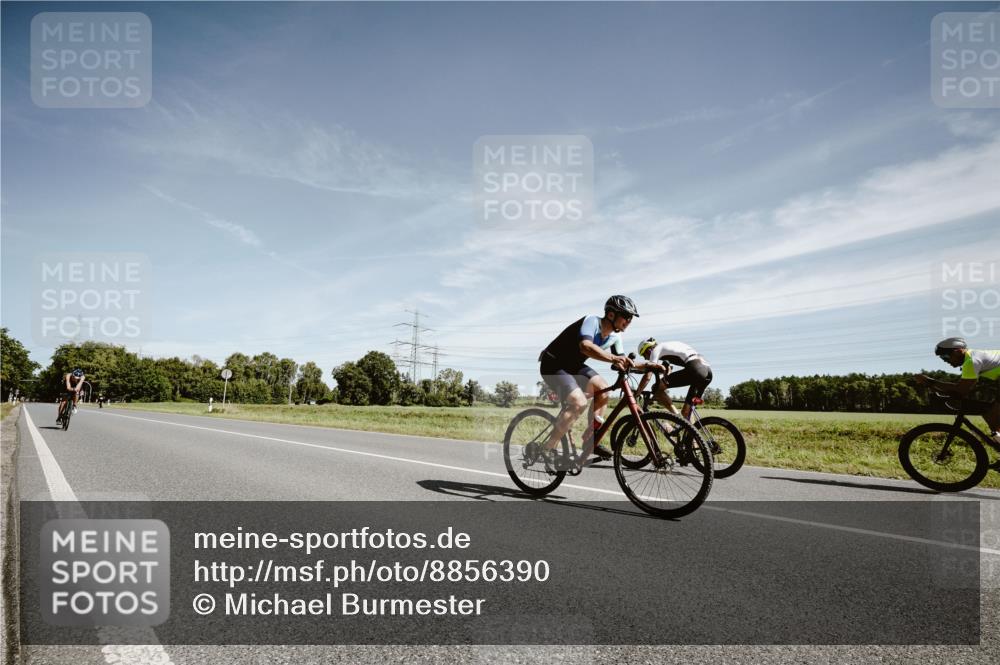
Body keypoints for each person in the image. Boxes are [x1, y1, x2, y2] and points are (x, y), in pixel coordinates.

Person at [538, 295, 661, 466]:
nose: (629, 321)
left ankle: (591, 441)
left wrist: (648, 366)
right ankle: (547, 448)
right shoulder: (592, 321)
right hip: (553, 364)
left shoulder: (615, 337)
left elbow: (623, 362)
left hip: (573, 366)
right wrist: (613, 358)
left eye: (631, 318)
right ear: (611, 314)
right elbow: (585, 346)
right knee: (579, 402)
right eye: (626, 316)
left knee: (603, 389)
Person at [915, 338, 1000, 444]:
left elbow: (961, 390)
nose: (945, 360)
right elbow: (964, 388)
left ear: (958, 351)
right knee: (989, 413)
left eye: (945, 356)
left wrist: (930, 381)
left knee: (992, 413)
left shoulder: (971, 361)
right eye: (942, 358)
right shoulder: (972, 358)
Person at [636, 338, 713, 420]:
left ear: (649, 349)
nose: (645, 358)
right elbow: (666, 369)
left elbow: (648, 375)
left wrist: (637, 393)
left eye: (644, 355)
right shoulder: (669, 346)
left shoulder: (656, 350)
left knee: (656, 388)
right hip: (707, 372)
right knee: (686, 413)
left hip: (695, 369)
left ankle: (677, 419)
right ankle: (692, 431)